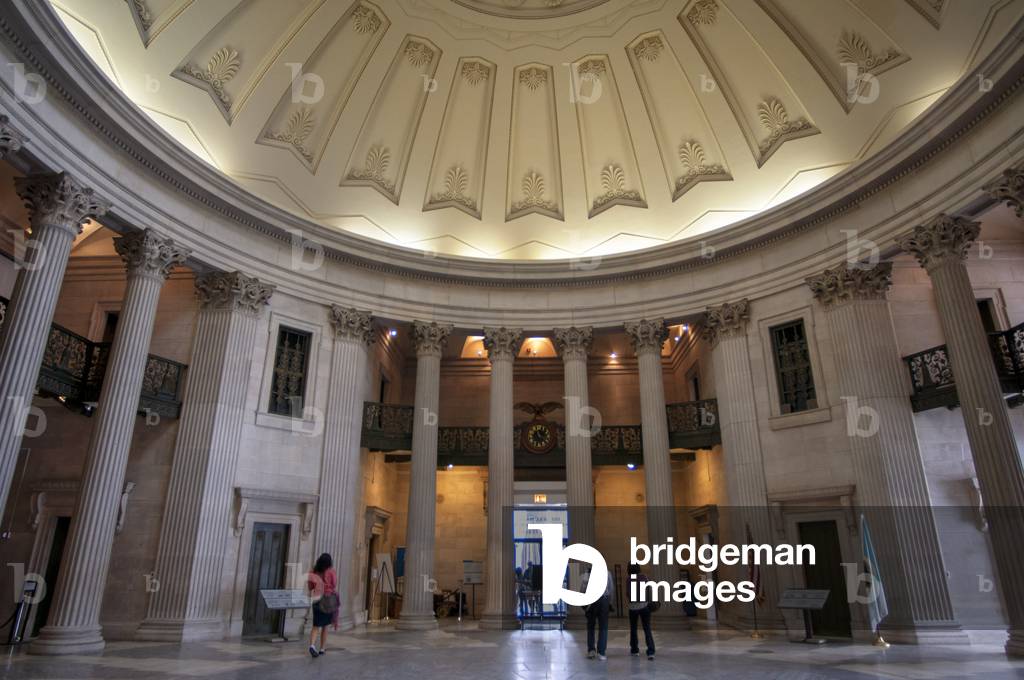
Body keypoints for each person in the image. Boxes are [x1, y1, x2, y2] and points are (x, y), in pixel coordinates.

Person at [307, 552, 339, 658]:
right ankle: (322, 648)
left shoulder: (314, 572)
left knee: (316, 625)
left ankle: (312, 645)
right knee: (325, 625)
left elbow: (310, 586)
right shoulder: (331, 572)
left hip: (316, 599)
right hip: (327, 599)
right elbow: (334, 584)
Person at [581, 565, 614, 660]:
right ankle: (601, 652)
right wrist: (610, 603)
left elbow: (583, 588)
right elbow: (611, 589)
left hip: (591, 601)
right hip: (604, 600)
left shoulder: (588, 573)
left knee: (591, 626)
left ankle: (591, 650)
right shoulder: (607, 573)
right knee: (603, 626)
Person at [627, 564, 655, 660]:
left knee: (633, 629)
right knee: (647, 628)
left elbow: (628, 593)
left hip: (633, 607)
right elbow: (649, 590)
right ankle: (651, 651)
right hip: (644, 606)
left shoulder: (629, 579)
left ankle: (634, 650)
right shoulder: (644, 577)